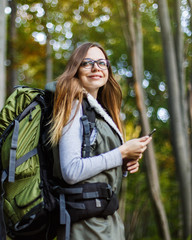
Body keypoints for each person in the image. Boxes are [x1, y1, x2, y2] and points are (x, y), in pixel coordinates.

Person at [49, 42, 152, 240]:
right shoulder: (73, 105)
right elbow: (71, 170)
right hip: (85, 227)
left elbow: (95, 166)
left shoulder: (97, 110)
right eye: (87, 63)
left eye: (102, 63)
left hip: (104, 221)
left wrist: (124, 162)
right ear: (76, 70)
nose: (96, 68)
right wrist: (121, 153)